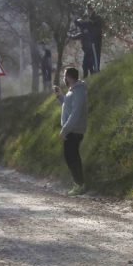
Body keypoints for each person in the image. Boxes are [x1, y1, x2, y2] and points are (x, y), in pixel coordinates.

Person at [54, 67, 88, 196]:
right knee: (71, 157)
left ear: (69, 77)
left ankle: (79, 184)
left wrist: (64, 130)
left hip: (74, 130)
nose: (63, 78)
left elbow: (75, 113)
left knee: (72, 157)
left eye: (64, 75)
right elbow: (68, 105)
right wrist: (60, 96)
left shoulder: (78, 91)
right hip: (71, 130)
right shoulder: (72, 91)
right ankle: (79, 184)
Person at [85, 2, 104, 71]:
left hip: (95, 39)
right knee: (97, 54)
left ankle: (96, 69)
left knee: (96, 55)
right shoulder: (97, 17)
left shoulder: (94, 18)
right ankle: (96, 68)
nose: (88, 11)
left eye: (89, 9)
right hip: (97, 38)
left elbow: (93, 25)